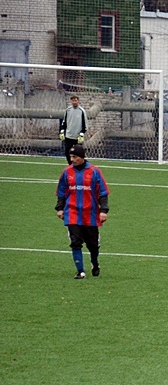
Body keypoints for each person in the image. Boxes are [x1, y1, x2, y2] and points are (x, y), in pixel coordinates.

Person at [55, 144, 109, 279]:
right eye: (70, 157)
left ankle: (95, 263)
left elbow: (102, 192)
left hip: (90, 214)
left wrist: (103, 210)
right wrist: (60, 208)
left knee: (93, 245)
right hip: (72, 213)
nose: (72, 160)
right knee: (75, 242)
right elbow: (61, 192)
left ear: (82, 157)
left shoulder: (94, 171)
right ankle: (80, 271)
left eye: (75, 157)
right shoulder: (67, 172)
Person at [59, 95, 88, 164]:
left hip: (77, 137)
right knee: (67, 152)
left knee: (78, 153)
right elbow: (64, 122)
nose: (74, 102)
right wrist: (62, 131)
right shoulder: (68, 110)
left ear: (78, 101)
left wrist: (82, 134)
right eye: (73, 100)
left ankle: (80, 165)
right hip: (68, 136)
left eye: (75, 100)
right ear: (71, 101)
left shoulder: (82, 111)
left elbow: (85, 124)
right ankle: (70, 166)